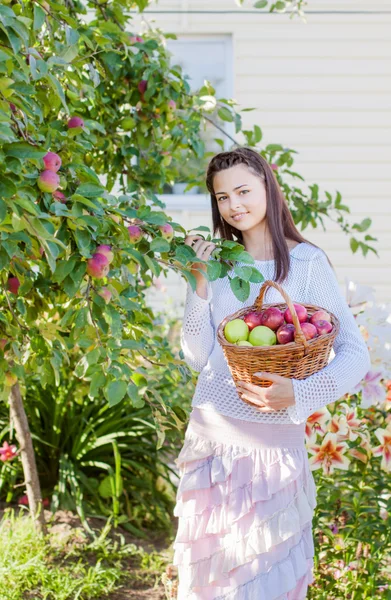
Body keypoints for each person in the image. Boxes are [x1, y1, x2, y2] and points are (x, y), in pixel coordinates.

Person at [172, 147, 371, 599]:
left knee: (267, 579)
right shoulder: (218, 262)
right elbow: (197, 355)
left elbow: (354, 354)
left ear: (267, 188)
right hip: (212, 442)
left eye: (243, 190)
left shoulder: (305, 262)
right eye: (222, 197)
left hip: (272, 448)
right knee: (210, 580)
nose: (234, 204)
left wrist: (300, 394)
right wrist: (198, 283)